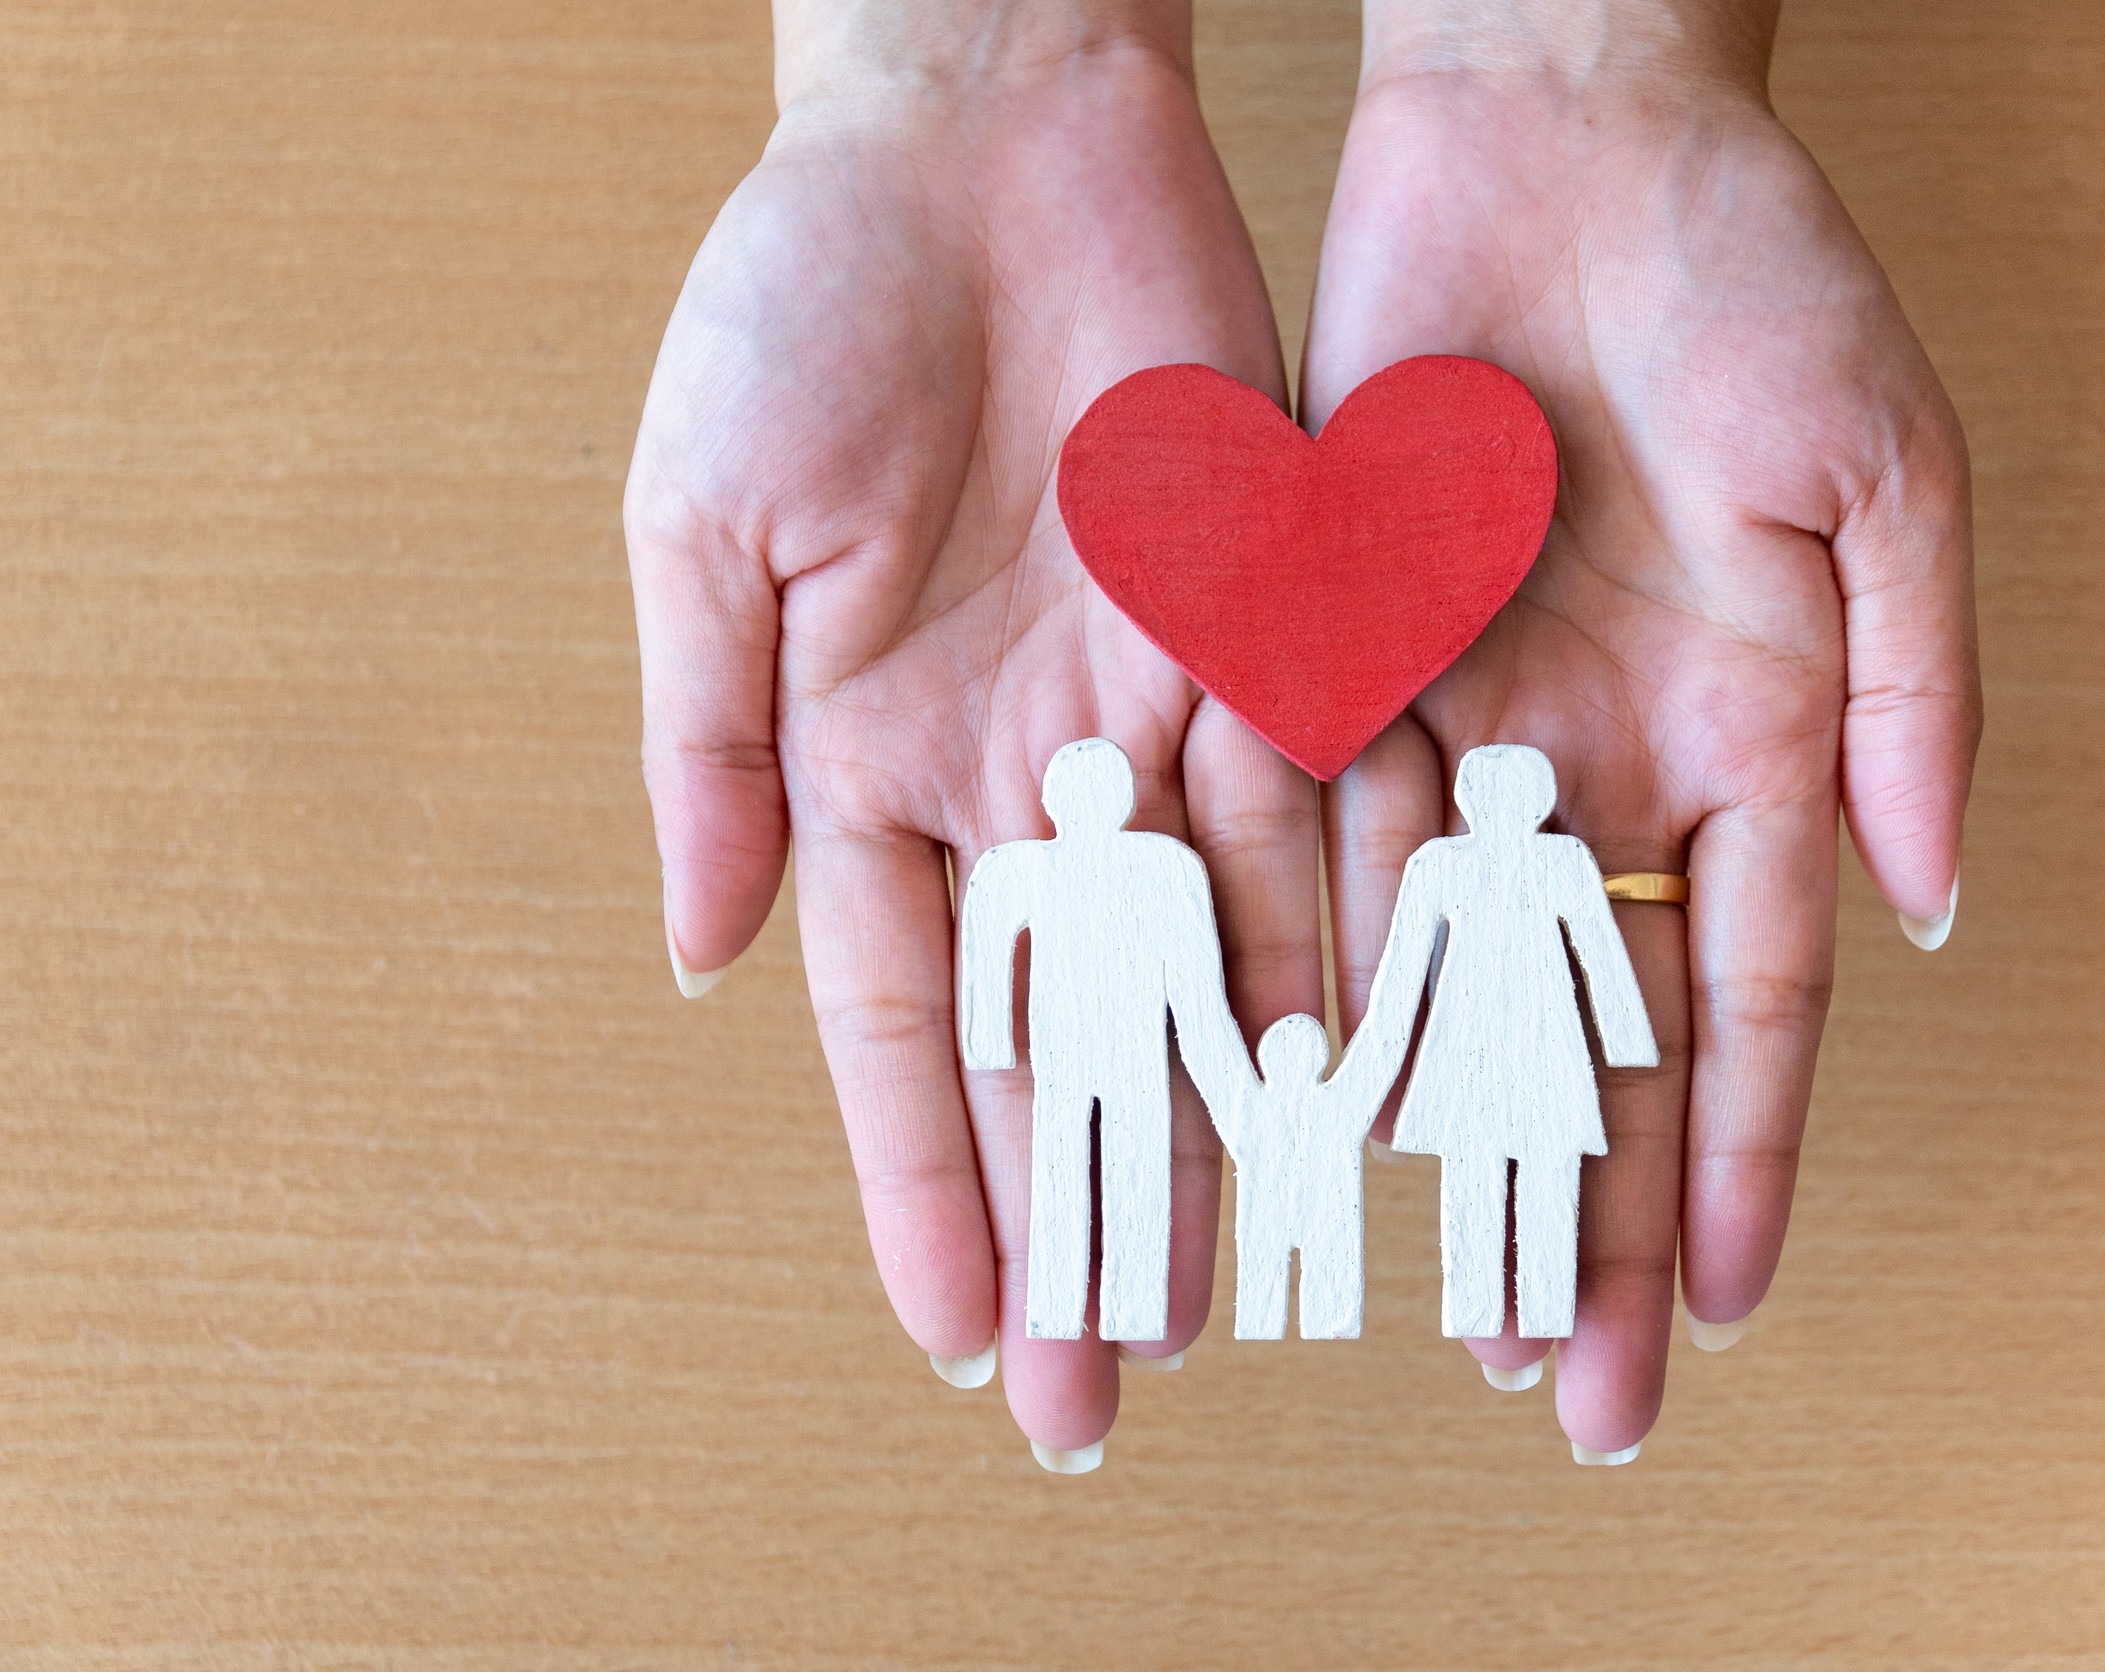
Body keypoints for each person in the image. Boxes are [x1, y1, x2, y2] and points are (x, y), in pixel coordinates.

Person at [624, 0, 1981, 1470]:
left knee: (1492, 1201)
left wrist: (1581, 47)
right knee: (1096, 1171)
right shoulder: (1181, 873)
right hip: (1161, 1044)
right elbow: (1045, 958)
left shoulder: (1422, 870)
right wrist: (957, 60)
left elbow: (1543, 969)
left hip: (1495, 1059)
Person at [957, 738, 1245, 1345]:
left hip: (1109, 1049)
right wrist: (987, 1041)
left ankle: (1085, 1302)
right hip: (1102, 1050)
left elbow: (986, 937)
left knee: (1085, 1167)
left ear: (1052, 800)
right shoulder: (1161, 866)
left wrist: (989, 1041)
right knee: (1111, 1165)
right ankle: (1083, 1304)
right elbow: (1196, 984)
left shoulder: (1149, 866)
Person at [1365, 747, 1655, 1340]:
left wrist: (1627, 1038)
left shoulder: (1554, 861)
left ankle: (1537, 1303)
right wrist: (1381, 1051)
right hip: (1488, 1044)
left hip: (1530, 1041)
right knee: (1487, 1173)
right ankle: (1480, 1303)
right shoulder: (1446, 863)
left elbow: (1600, 952)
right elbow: (1402, 966)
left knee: (1525, 1170)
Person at [1201, 1006, 1407, 1342]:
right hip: (1324, 1220)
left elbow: (1210, 1055)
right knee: (1322, 1309)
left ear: (1266, 1059)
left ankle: (1273, 1323)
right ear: (1320, 1058)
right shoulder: (1341, 1104)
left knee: (1264, 1307)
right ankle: (1304, 1322)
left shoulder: (1247, 1107)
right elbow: (1381, 1044)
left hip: (1272, 1222)